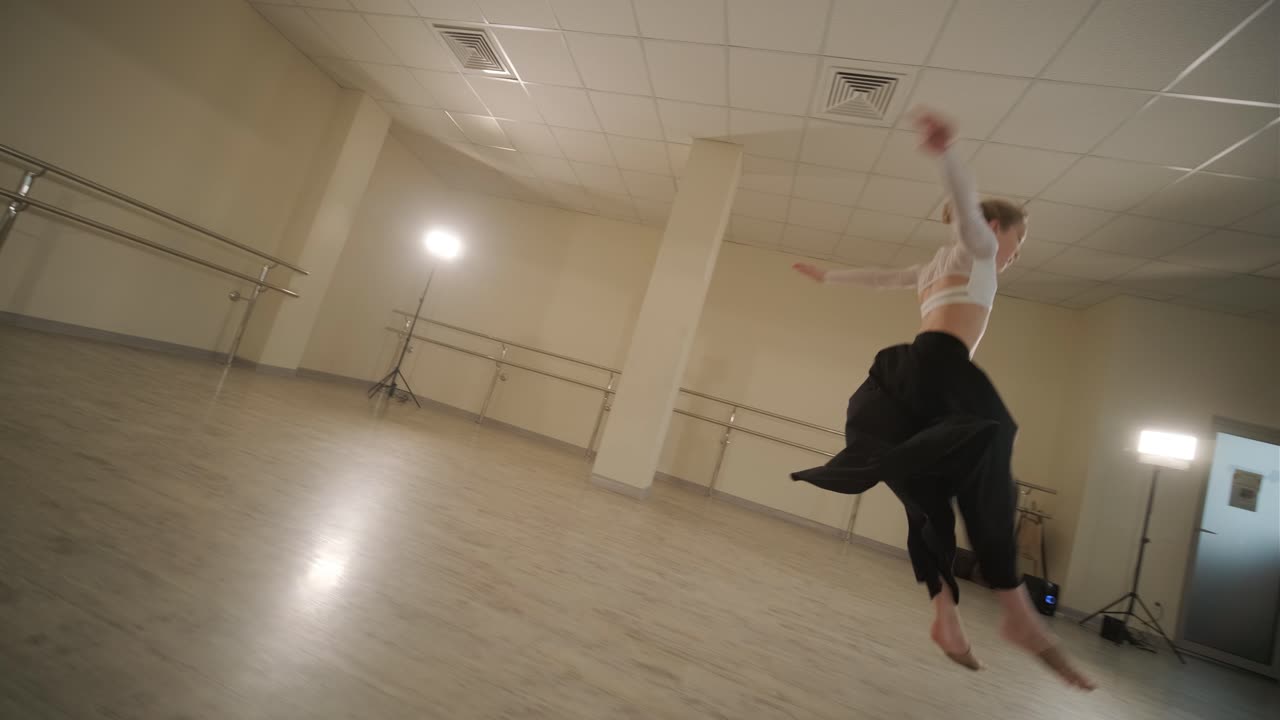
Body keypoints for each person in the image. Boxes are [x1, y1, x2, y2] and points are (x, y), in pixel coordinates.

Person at [790, 109, 1095, 691]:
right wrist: (946, 155)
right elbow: (970, 212)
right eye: (1018, 242)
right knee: (992, 441)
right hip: (940, 365)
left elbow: (881, 278)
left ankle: (945, 614)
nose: (1015, 254)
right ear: (998, 230)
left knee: (928, 495)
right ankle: (1015, 611)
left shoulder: (933, 266)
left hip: (904, 377)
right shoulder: (976, 250)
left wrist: (827, 276)